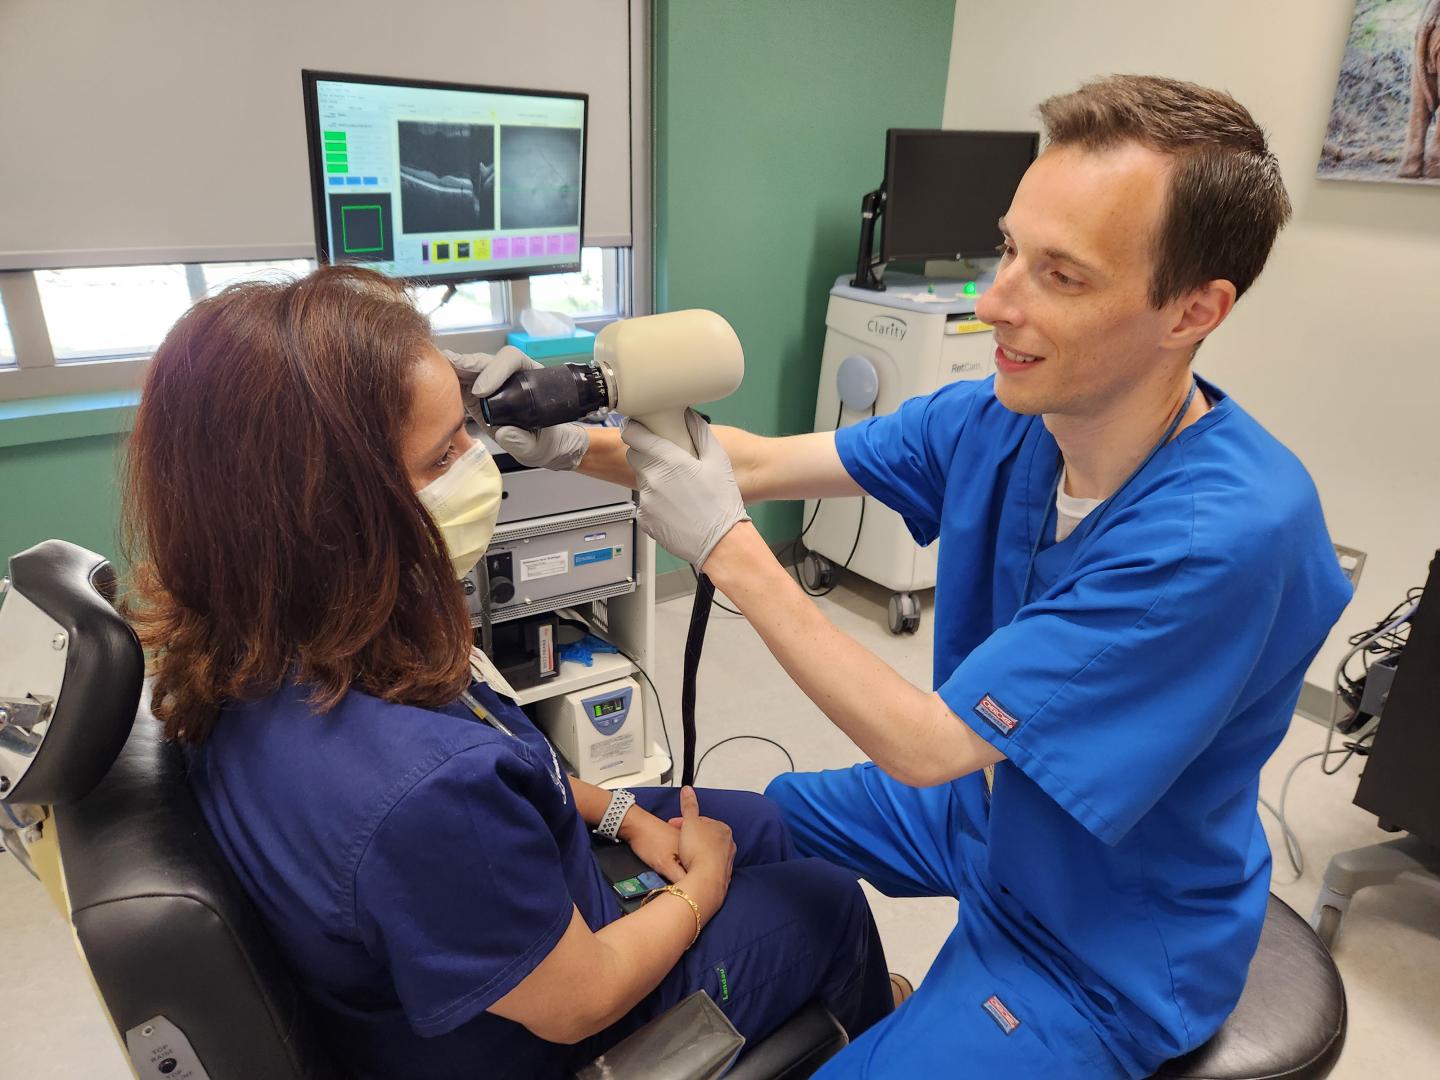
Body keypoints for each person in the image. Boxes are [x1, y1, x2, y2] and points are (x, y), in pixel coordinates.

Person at [462, 76, 1354, 1076]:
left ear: (1195, 309)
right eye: (1009, 247)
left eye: (1061, 276)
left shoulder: (1225, 536)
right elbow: (749, 467)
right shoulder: (1004, 418)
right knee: (752, 816)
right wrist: (572, 442)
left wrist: (728, 552)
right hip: (986, 814)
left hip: (1107, 939)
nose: (993, 300)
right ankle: (865, 1002)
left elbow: (932, 746)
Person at [121, 265, 893, 1080]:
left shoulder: (268, 633)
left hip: (489, 904)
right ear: (329, 515)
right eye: (442, 452)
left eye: (469, 431)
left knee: (768, 824)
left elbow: (506, 760)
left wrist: (624, 812)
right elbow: (578, 1001)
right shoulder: (418, 792)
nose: (478, 465)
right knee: (827, 904)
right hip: (550, 1026)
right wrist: (699, 890)